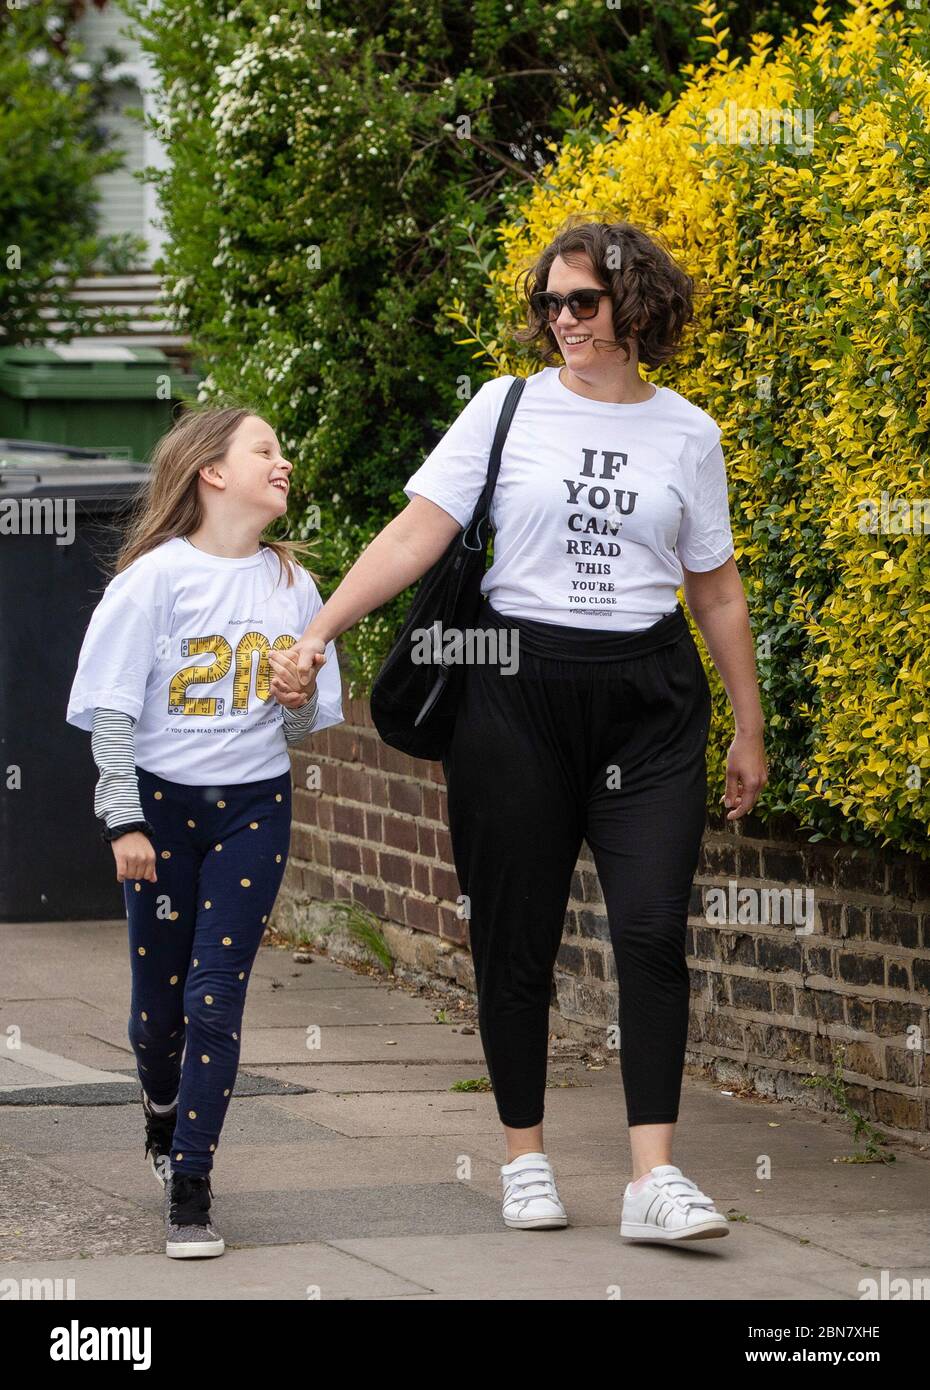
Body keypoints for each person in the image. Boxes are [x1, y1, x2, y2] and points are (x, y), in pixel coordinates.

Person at [276, 216, 769, 1244]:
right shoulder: (505, 409)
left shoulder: (690, 431)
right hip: (514, 690)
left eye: (581, 302)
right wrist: (320, 631)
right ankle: (525, 1155)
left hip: (649, 695)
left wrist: (747, 724)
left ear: (636, 305)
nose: (562, 321)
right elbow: (420, 530)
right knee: (517, 934)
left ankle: (654, 1178)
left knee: (649, 926)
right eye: (549, 304)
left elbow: (714, 588)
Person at [66, 406, 344, 1258]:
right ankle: (158, 1109)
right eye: (266, 448)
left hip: (253, 808)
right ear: (211, 473)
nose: (284, 460)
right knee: (158, 1016)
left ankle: (191, 1185)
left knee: (214, 996)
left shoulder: (293, 585)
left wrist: (296, 700)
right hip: (158, 810)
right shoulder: (155, 580)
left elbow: (302, 729)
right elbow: (110, 712)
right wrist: (123, 820)